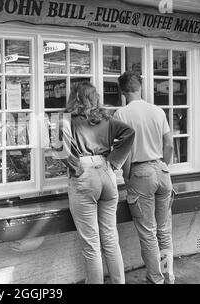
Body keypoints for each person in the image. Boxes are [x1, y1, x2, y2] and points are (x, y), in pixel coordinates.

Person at [54, 81, 135, 284]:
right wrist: (115, 161)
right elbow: (129, 133)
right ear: (94, 97)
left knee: (92, 243)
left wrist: (75, 167)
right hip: (106, 173)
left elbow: (59, 149)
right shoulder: (105, 118)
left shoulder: (66, 119)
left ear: (75, 97)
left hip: (84, 175)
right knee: (110, 237)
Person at [113, 71, 175, 284]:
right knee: (164, 231)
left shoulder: (121, 114)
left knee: (148, 233)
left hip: (140, 173)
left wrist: (128, 177)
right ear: (140, 87)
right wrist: (163, 165)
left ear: (122, 91)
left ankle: (156, 279)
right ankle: (168, 276)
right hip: (162, 171)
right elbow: (169, 145)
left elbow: (126, 152)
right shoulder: (157, 111)